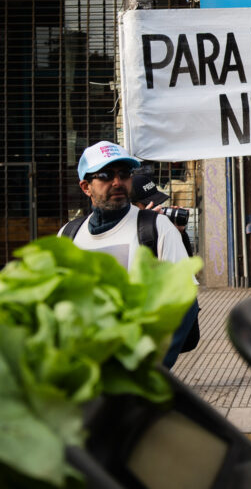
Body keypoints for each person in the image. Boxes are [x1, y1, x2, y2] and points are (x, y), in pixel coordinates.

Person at [58, 141, 197, 369]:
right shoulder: (68, 235)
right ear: (86, 187)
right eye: (105, 175)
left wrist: (151, 369)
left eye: (124, 174)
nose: (117, 182)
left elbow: (185, 302)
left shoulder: (156, 227)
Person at [131, 171, 202, 362]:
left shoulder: (159, 228)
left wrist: (178, 233)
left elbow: (185, 268)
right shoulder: (125, 232)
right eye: (148, 204)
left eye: (158, 202)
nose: (160, 208)